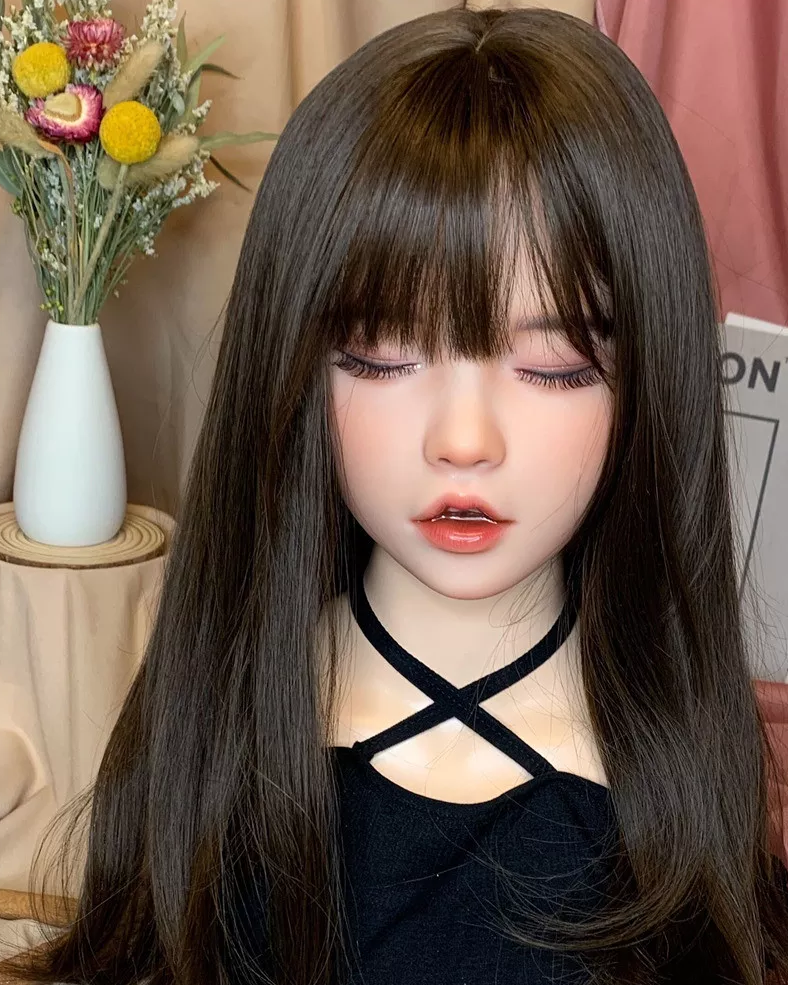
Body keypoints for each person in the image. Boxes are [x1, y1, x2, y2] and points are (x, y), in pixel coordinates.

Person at [2, 5, 788, 984]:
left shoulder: (672, 779)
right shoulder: (223, 739)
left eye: (551, 364)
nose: (463, 440)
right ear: (297, 363)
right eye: (383, 355)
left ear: (647, 378)